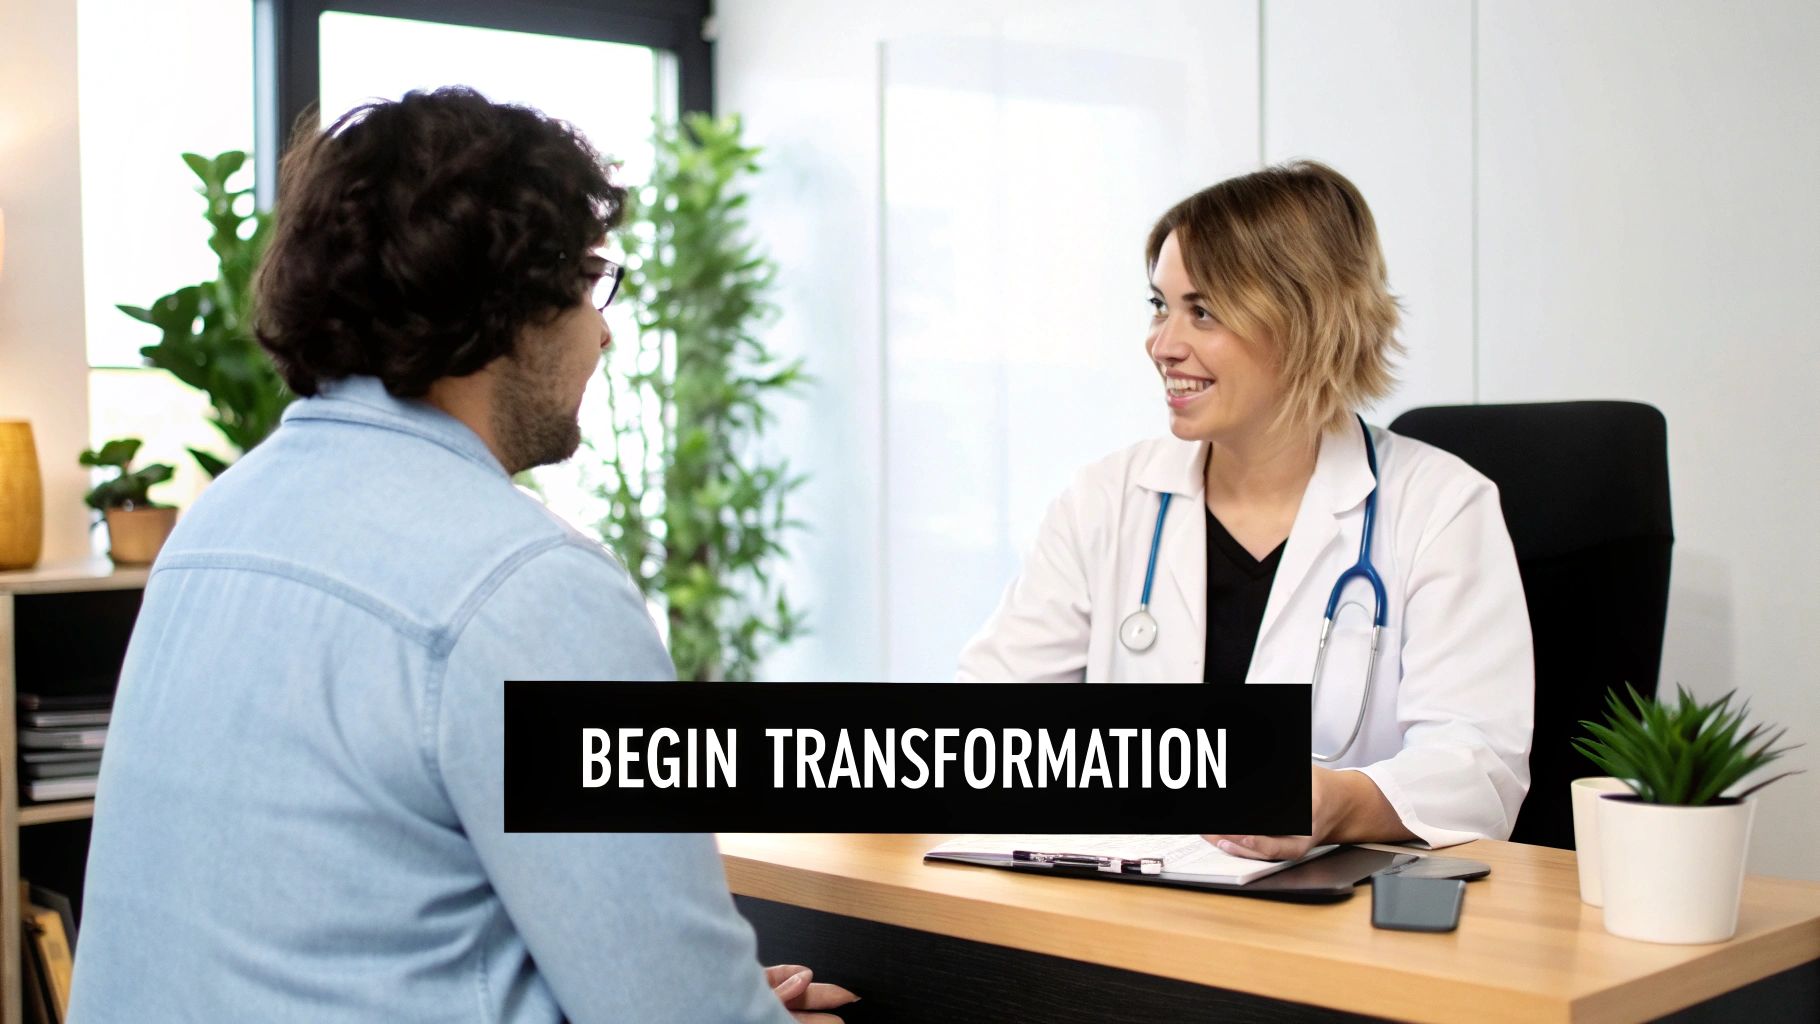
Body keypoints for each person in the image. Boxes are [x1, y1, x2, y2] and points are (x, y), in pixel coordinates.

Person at [69, 88, 855, 1023]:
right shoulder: (527, 589)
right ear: (511, 302)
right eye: (587, 285)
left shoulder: (217, 525)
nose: (603, 332)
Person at [956, 161, 1533, 857]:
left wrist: (1339, 803)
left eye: (1202, 311)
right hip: (1125, 903)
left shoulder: (1438, 506)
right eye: (1159, 306)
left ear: (1306, 317)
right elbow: (984, 728)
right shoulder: (1106, 500)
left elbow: (1480, 767)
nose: (1163, 344)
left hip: (1330, 929)